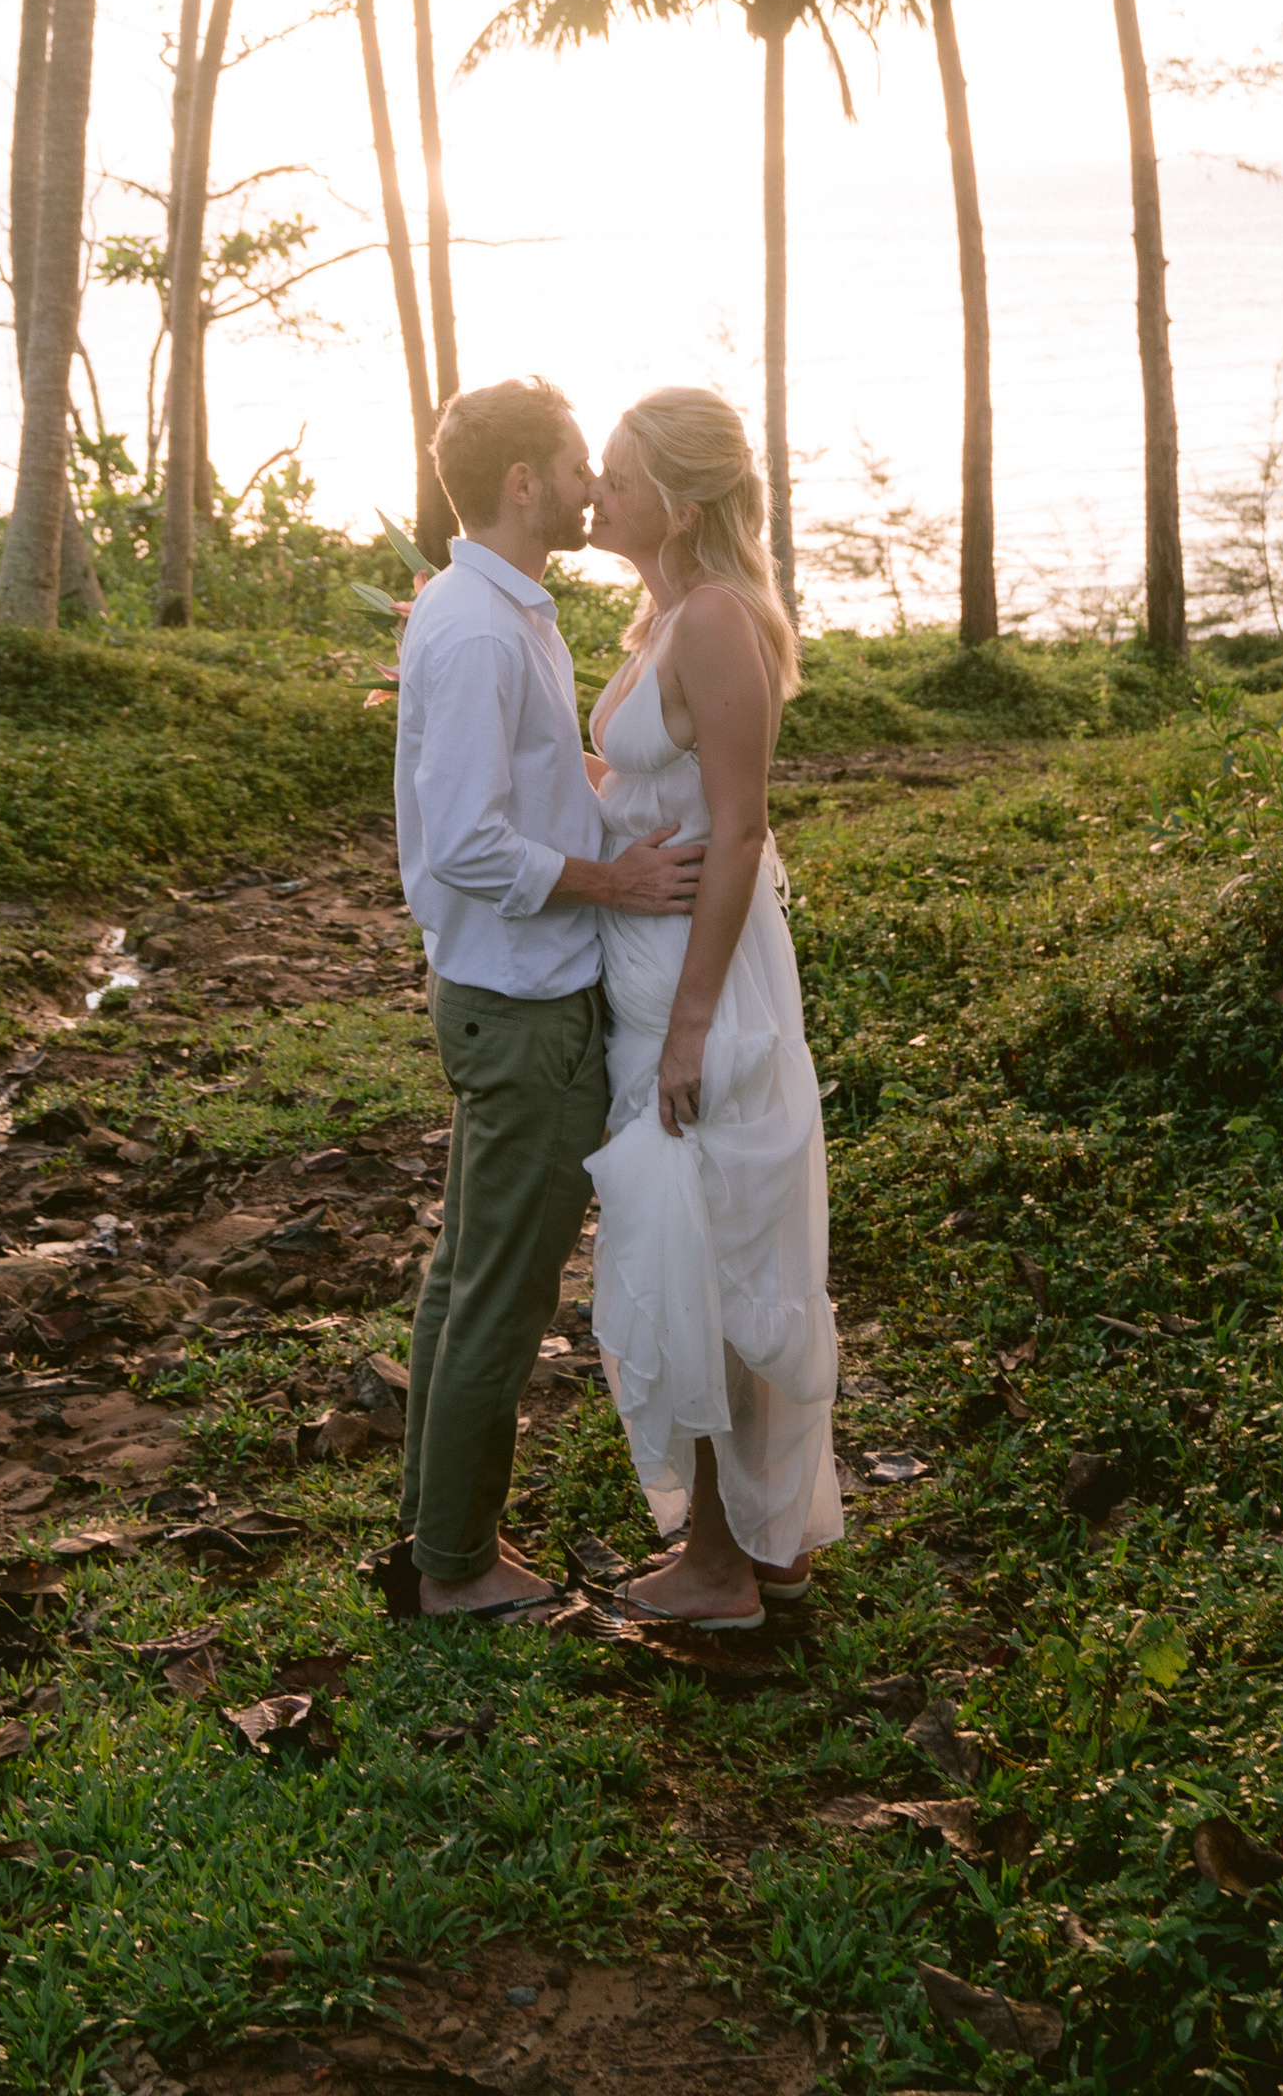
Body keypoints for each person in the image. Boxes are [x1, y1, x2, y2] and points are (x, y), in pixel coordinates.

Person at [390, 373, 704, 1619]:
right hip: (519, 1004)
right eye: (577, 464)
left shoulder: (495, 607)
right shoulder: (474, 626)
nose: (590, 485)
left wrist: (583, 782)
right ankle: (458, 1568)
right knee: (502, 1294)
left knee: (463, 1277)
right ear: (524, 481)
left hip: (501, 991)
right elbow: (465, 842)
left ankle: (431, 1533)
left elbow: (495, 789)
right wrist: (611, 880)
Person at [583, 385, 842, 1626]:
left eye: (618, 475)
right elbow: (654, 788)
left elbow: (738, 830)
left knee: (712, 1253)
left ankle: (721, 1568)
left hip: (705, 984)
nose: (594, 487)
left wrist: (689, 1025)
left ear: (676, 503)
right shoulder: (664, 616)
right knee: (692, 1240)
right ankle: (761, 1543)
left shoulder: (715, 621)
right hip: (652, 972)